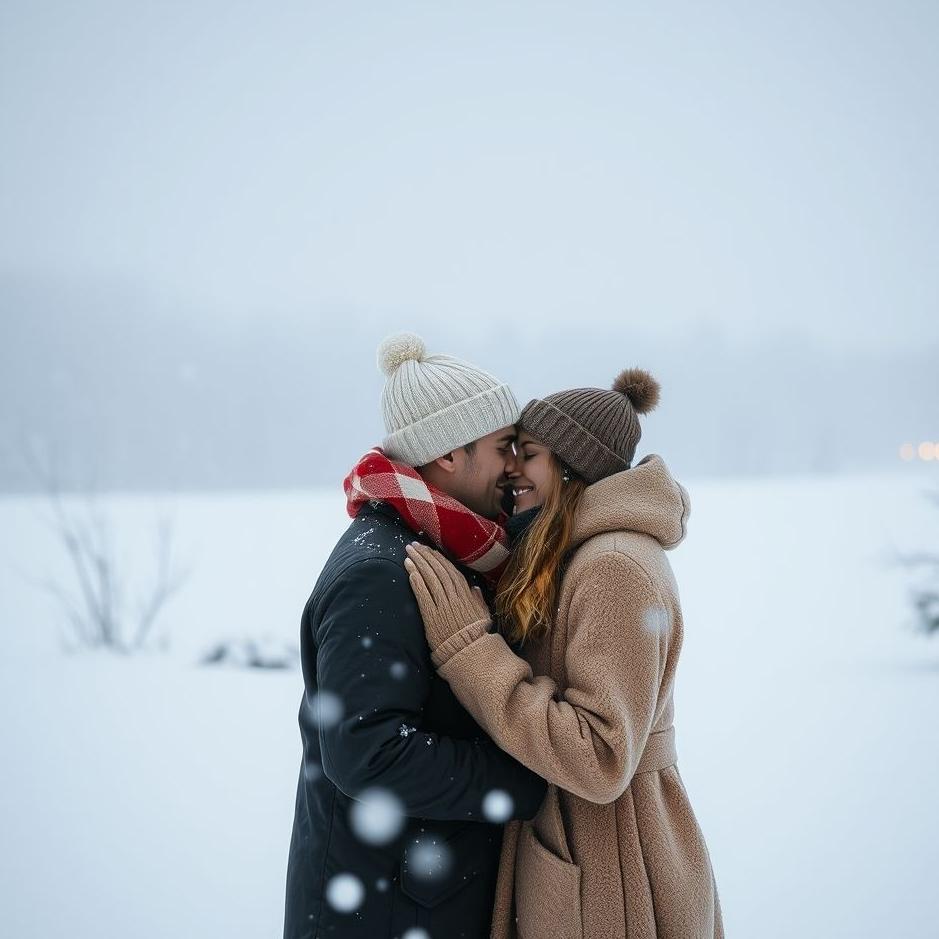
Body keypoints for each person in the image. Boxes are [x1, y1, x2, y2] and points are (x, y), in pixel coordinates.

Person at [404, 367, 723, 939]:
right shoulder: (578, 554)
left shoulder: (613, 568)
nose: (512, 470)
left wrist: (470, 650)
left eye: (528, 454)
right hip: (586, 848)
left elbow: (599, 758)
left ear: (571, 466)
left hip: (614, 863)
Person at [283, 333, 548, 939]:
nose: (514, 465)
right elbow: (368, 754)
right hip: (380, 914)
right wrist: (524, 777)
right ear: (450, 454)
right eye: (503, 445)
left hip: (416, 900)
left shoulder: (445, 548)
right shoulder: (379, 572)